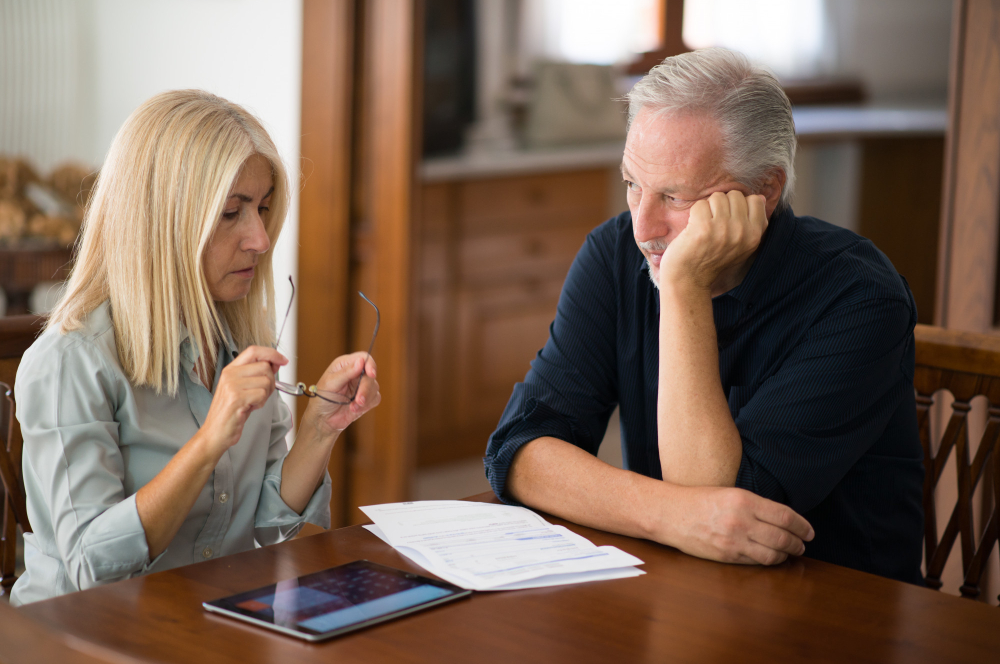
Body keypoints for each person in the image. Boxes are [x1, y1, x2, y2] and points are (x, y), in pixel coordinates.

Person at [484, 48, 924, 584]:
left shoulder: (860, 298)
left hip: (839, 614)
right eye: (632, 184)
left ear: (764, 192)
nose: (643, 227)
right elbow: (520, 451)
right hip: (680, 593)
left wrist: (683, 286)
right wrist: (665, 513)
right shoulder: (614, 253)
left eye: (673, 195)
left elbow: (721, 508)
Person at [10, 90, 380, 605]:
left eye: (264, 208)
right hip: (83, 638)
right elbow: (90, 569)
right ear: (163, 222)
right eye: (232, 212)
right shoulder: (71, 362)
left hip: (207, 625)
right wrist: (209, 442)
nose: (260, 238)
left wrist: (319, 428)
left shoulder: (240, 340)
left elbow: (272, 526)